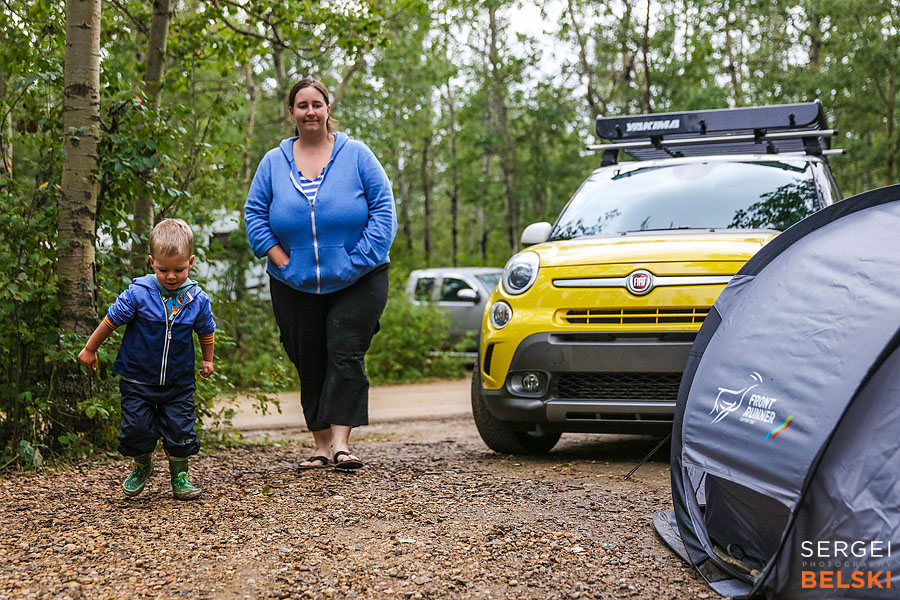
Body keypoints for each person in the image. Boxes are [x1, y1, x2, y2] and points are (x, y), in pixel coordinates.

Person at [244, 77, 396, 472]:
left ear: (328, 109)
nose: (310, 111)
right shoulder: (273, 162)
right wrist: (280, 259)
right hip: (293, 282)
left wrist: (358, 259)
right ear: (291, 112)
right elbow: (254, 215)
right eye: (302, 105)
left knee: (344, 352)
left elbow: (384, 210)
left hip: (358, 278)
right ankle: (320, 445)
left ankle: (342, 444)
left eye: (317, 104)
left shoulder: (358, 155)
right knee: (308, 357)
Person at [77, 218, 216, 500]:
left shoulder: (196, 299)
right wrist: (90, 349)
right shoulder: (139, 294)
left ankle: (180, 475)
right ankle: (142, 464)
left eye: (179, 269)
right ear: (152, 262)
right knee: (136, 428)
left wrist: (207, 360)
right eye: (163, 269)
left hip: (178, 382)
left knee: (180, 429)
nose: (171, 276)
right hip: (137, 378)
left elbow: (206, 330)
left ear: (190, 262)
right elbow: (110, 321)